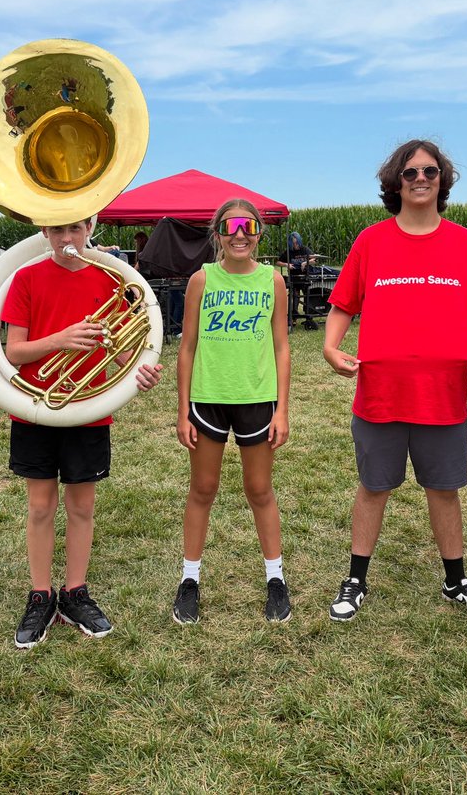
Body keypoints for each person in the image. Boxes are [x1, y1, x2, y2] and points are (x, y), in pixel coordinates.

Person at [323, 139, 467, 623]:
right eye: (410, 172)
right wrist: (330, 347)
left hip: (443, 395)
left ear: (442, 179)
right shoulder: (371, 241)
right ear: (396, 182)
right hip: (380, 393)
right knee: (374, 487)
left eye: (430, 171)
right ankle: (356, 579)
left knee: (444, 490)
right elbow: (343, 304)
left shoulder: (464, 242)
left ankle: (455, 580)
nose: (421, 179)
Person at [1, 216, 163, 650]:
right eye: (57, 230)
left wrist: (142, 371)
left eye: (75, 228)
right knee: (40, 507)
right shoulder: (27, 278)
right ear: (44, 233)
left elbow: (126, 351)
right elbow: (14, 351)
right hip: (37, 408)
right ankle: (40, 595)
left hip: (89, 409)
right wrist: (62, 339)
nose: (67, 238)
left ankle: (75, 591)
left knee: (82, 507)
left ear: (90, 227)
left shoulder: (111, 280)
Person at [173, 199, 292, 624]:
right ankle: (190, 580)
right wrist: (182, 410)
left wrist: (282, 409)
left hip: (257, 399)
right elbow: (187, 347)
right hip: (208, 398)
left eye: (248, 226)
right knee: (202, 488)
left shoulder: (272, 281)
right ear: (218, 234)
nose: (239, 234)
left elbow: (281, 347)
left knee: (259, 489)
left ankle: (276, 579)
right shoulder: (202, 280)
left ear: (259, 233)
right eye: (230, 227)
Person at [278, 231, 320, 321]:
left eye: (296, 243)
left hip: (306, 277)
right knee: (294, 296)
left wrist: (305, 263)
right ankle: (293, 317)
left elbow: (314, 259)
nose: (295, 245)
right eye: (293, 243)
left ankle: (308, 316)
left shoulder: (305, 249)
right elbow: (278, 262)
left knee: (308, 295)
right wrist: (286, 265)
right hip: (294, 278)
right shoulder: (289, 252)